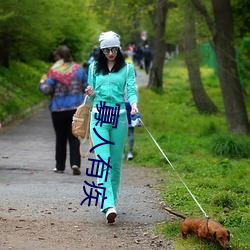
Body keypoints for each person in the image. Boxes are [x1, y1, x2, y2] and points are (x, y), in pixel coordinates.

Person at [85, 31, 138, 223]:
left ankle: (112, 201)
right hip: (99, 117)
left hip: (120, 117)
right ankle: (108, 204)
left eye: (114, 49)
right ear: (101, 50)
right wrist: (90, 92)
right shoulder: (93, 68)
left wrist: (134, 104)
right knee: (103, 162)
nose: (110, 53)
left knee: (115, 163)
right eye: (106, 50)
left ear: (119, 48)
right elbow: (91, 97)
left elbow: (131, 90)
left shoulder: (127, 68)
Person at [39, 45, 88, 175]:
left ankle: (60, 166)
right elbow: (86, 87)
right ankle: (75, 163)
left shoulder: (54, 71)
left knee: (60, 138)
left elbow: (47, 90)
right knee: (73, 137)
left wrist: (42, 83)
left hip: (58, 109)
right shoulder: (79, 70)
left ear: (58, 57)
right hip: (75, 109)